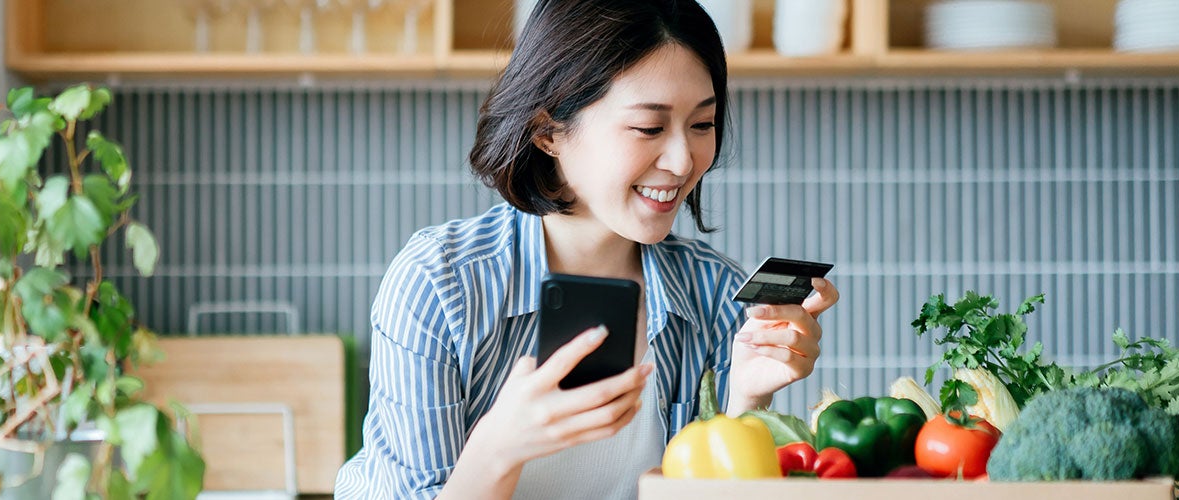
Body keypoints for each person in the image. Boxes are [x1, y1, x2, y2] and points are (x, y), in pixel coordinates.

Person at [335, 0, 839, 498]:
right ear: (549, 130)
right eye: (649, 127)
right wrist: (497, 448)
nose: (684, 159)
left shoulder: (717, 297)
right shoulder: (441, 285)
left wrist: (744, 403)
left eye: (702, 124)